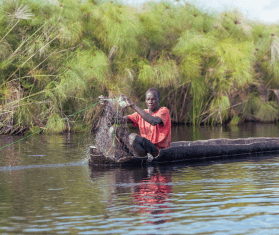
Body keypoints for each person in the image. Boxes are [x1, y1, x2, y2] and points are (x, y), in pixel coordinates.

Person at [99, 88, 171, 159]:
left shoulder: (163, 111)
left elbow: (153, 121)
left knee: (133, 137)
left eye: (153, 99)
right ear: (145, 101)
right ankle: (121, 156)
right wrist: (108, 106)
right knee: (113, 129)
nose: (150, 102)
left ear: (159, 100)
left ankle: (142, 159)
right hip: (144, 149)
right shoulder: (141, 113)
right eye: (148, 99)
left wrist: (132, 105)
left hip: (158, 151)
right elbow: (119, 120)